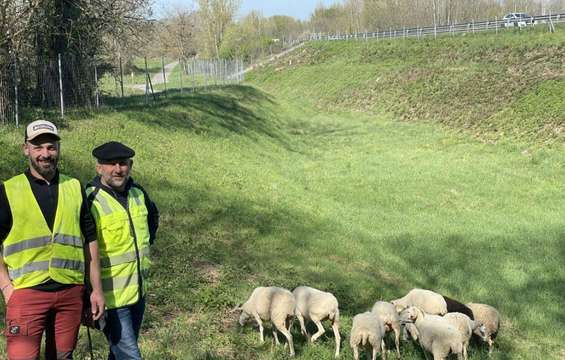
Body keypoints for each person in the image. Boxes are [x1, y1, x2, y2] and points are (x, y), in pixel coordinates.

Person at [0, 119, 105, 360]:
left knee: (63, 357)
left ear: (58, 148)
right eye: (38, 147)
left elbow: (90, 239)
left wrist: (96, 290)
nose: (45, 154)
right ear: (25, 148)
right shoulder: (8, 189)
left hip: (70, 293)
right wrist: (6, 287)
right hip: (26, 295)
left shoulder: (74, 186)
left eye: (51, 147)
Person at [86, 141, 159, 360]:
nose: (118, 169)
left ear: (131, 165)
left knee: (119, 353)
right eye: (111, 164)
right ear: (99, 167)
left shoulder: (138, 193)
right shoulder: (90, 199)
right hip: (111, 299)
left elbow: (152, 219)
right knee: (130, 355)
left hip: (138, 293)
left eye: (123, 163)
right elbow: (83, 249)